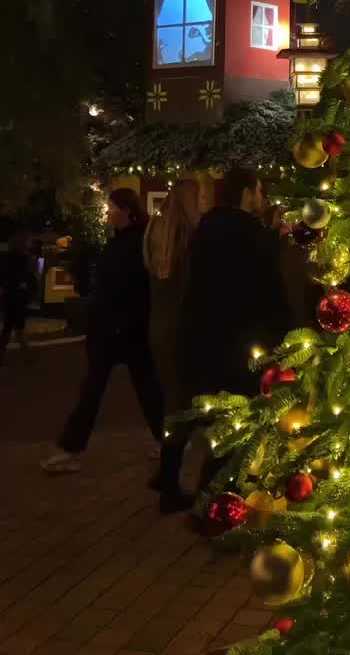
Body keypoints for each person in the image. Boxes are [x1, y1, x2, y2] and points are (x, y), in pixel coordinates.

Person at [162, 167, 293, 501]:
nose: (261, 199)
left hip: (197, 335)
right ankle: (223, 497)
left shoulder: (205, 229)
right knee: (240, 420)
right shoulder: (252, 235)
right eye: (260, 192)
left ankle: (176, 488)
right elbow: (270, 293)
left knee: (202, 412)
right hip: (237, 340)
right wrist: (290, 335)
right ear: (248, 193)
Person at [41, 188, 164, 474]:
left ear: (126, 210)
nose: (107, 211)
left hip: (121, 329)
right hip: (120, 329)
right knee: (139, 388)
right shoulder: (126, 242)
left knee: (105, 389)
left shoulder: (135, 244)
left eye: (111, 207)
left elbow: (129, 289)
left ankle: (69, 448)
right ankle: (165, 440)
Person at [143, 180, 201, 513]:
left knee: (172, 403)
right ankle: (170, 484)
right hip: (180, 330)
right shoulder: (187, 237)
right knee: (182, 408)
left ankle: (165, 474)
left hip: (158, 327)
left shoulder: (154, 232)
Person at [0, 229, 36, 365]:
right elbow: (29, 279)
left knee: (9, 328)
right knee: (17, 328)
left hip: (10, 295)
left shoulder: (6, 258)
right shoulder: (25, 259)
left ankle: (24, 355)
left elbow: (3, 277)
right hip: (19, 297)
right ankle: (28, 356)